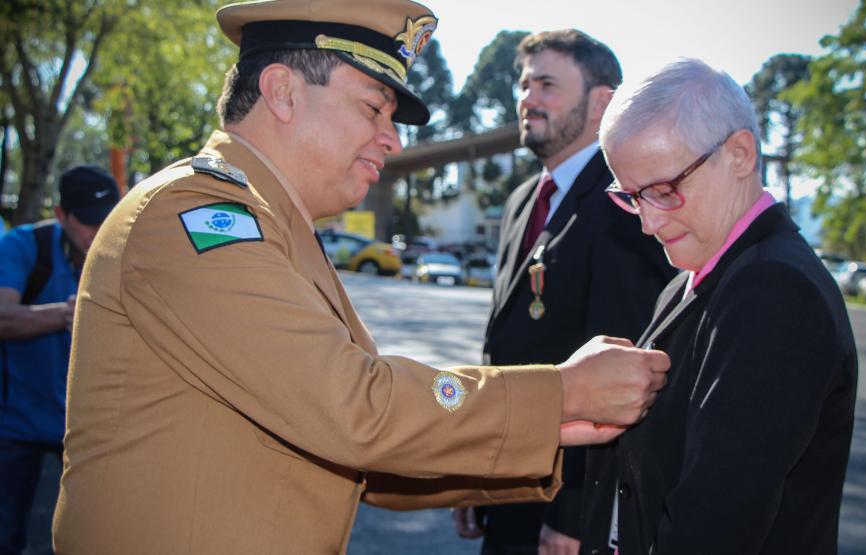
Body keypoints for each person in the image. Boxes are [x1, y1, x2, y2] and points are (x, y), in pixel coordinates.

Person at [51, 2, 672, 554]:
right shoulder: (194, 218)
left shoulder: (277, 232)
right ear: (284, 92)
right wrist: (563, 392)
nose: (392, 141)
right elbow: (356, 409)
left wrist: (557, 433)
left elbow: (361, 462)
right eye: (374, 107)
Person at [578, 58, 858, 555]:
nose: (646, 223)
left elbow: (712, 526)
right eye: (632, 197)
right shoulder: (695, 277)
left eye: (664, 192)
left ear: (740, 154)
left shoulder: (774, 292)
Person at [452, 30, 674, 555]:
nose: (528, 97)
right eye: (525, 84)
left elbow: (626, 376)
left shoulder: (624, 207)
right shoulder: (523, 200)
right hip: (506, 481)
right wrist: (473, 474)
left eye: (547, 84)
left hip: (566, 508)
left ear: (602, 102)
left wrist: (577, 511)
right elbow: (503, 353)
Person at [0, 165, 120, 554]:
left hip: (89, 426)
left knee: (96, 536)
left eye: (105, 219)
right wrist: (66, 314)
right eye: (87, 222)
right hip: (15, 425)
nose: (97, 231)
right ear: (60, 214)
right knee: (7, 534)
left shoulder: (122, 248)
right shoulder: (23, 246)